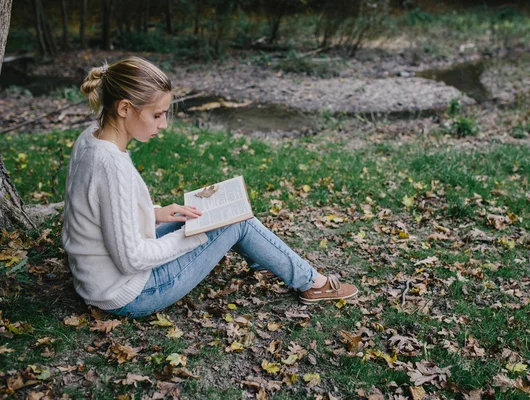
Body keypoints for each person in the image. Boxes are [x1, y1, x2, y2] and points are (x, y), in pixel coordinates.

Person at [61, 56, 358, 319]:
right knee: (235, 221)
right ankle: (313, 284)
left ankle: (269, 260)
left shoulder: (91, 138)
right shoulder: (111, 165)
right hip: (129, 294)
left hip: (97, 280)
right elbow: (132, 259)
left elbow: (103, 211)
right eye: (157, 115)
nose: (163, 124)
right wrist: (194, 238)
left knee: (222, 215)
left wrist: (156, 213)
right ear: (125, 108)